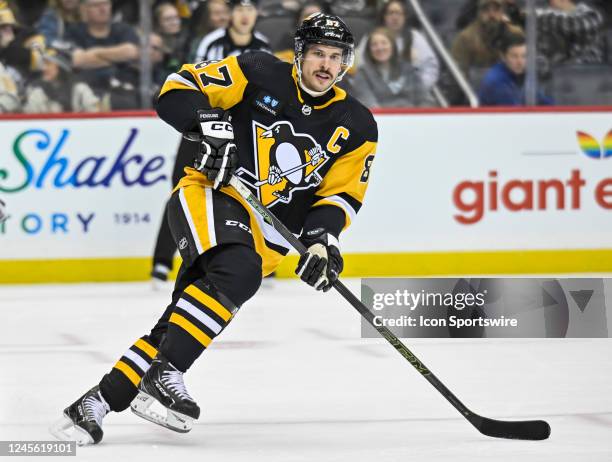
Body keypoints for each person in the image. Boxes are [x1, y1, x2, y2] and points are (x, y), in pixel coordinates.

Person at [50, 12, 377, 445]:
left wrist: (322, 242)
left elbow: (339, 197)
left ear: (346, 62)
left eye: (335, 57)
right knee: (238, 271)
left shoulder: (358, 124)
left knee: (178, 325)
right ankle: (165, 375)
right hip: (208, 195)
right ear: (299, 54)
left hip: (265, 237)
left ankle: (96, 402)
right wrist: (210, 126)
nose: (326, 65)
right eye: (317, 53)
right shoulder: (258, 69)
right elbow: (175, 90)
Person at [150, 0, 271, 284]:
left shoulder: (263, 47)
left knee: (251, 193)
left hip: (242, 133)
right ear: (230, 14)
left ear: (257, 14)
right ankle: (162, 261)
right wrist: (208, 122)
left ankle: (260, 258)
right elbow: (193, 85)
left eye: (249, 9)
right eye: (239, 9)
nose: (244, 15)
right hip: (205, 129)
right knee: (181, 188)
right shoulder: (211, 42)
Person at [64, 0, 140, 110]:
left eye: (105, 4)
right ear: (84, 9)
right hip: (87, 92)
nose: (103, 9)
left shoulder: (124, 29)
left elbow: (131, 52)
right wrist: (116, 57)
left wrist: (94, 53)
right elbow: (77, 60)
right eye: (96, 5)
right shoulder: (74, 31)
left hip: (124, 92)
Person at [356, 0, 439, 90]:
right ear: (384, 16)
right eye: (391, 13)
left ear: (405, 17)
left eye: (399, 13)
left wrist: (419, 88)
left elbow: (430, 68)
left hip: (412, 94)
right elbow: (360, 64)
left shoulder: (415, 37)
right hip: (378, 94)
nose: (395, 17)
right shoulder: (372, 37)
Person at [353, 26, 434, 107]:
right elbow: (368, 102)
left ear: (392, 46)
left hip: (413, 117)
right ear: (369, 50)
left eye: (384, 43)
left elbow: (425, 99)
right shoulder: (363, 73)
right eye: (374, 45)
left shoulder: (408, 69)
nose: (380, 48)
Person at [451, 0, 523, 77]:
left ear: (502, 11)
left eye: (496, 9)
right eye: (486, 9)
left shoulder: (515, 33)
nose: (491, 15)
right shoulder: (465, 38)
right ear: (479, 12)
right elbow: (458, 74)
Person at [478, 32, 553, 106]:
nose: (520, 62)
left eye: (524, 56)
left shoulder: (520, 74)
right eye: (514, 56)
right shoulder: (497, 81)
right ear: (503, 57)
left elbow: (541, 100)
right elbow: (515, 115)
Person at [23, 48, 102, 113]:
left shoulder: (79, 89)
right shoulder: (35, 89)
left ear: (61, 68)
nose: (44, 68)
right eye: (43, 64)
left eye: (48, 64)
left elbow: (94, 114)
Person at [535, 0, 605, 72]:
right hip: (562, 75)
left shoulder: (592, 15)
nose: (549, 2)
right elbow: (542, 51)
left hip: (590, 73)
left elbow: (578, 25)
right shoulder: (553, 23)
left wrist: (544, 18)